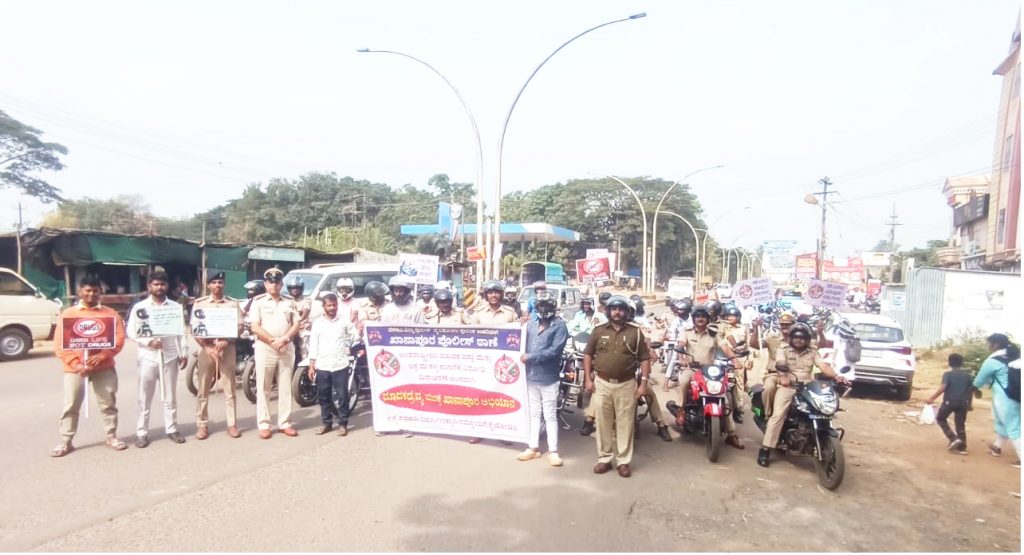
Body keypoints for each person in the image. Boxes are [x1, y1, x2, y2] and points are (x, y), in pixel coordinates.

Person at [51, 277, 128, 457]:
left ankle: (111, 436)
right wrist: (76, 364)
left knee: (108, 403)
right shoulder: (69, 314)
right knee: (71, 405)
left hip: (104, 367)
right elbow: (59, 345)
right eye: (87, 290)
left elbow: (119, 339)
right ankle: (66, 441)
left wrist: (103, 355)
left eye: (95, 291)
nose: (91, 294)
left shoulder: (110, 314)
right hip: (75, 369)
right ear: (79, 292)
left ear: (100, 292)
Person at [757, 322, 849, 467]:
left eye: (803, 338)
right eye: (796, 337)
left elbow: (822, 365)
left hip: (808, 386)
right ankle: (766, 448)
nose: (799, 340)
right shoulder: (784, 349)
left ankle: (818, 436)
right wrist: (783, 376)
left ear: (807, 339)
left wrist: (836, 376)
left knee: (822, 410)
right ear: (791, 338)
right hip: (789, 385)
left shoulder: (812, 351)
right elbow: (780, 363)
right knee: (778, 414)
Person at [583, 295, 650, 478]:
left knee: (625, 423)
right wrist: (588, 379)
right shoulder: (598, 331)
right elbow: (588, 355)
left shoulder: (635, 333)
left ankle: (623, 462)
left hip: (627, 384)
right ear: (608, 311)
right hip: (602, 383)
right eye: (614, 309)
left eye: (621, 309)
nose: (617, 312)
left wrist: (643, 383)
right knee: (603, 423)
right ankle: (604, 459)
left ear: (626, 312)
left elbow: (645, 358)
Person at [126, 271, 188, 448]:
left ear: (167, 286)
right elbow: (131, 331)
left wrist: (183, 352)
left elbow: (181, 331)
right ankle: (142, 432)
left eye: (162, 284)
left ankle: (171, 428)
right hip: (148, 357)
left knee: (170, 397)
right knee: (144, 397)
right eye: (156, 284)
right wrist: (149, 341)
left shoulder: (174, 307)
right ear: (149, 286)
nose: (159, 288)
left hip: (169, 357)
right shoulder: (140, 308)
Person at [672, 305, 744, 450]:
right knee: (683, 381)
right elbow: (680, 345)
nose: (700, 319)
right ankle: (680, 410)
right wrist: (681, 358)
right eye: (697, 316)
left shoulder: (713, 333)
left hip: (710, 370)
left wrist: (734, 359)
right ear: (693, 319)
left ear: (708, 319)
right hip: (692, 368)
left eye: (703, 317)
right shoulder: (686, 332)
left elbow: (725, 347)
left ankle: (731, 434)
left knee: (724, 396)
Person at [517, 290, 569, 466]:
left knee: (550, 415)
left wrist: (530, 357)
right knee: (534, 413)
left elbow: (554, 351)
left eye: (547, 306)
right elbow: (518, 340)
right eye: (541, 305)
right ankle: (533, 448)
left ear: (553, 307)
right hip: (531, 376)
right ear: (536, 307)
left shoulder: (560, 326)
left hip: (548, 377)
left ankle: (553, 451)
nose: (543, 309)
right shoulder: (530, 324)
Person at [249, 268, 301, 439]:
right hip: (266, 347)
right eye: (271, 281)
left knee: (285, 386)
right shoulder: (258, 302)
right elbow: (255, 326)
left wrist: (285, 339)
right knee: (264, 386)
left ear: (281, 284)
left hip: (285, 347)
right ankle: (264, 423)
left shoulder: (289, 301)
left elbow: (296, 324)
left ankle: (284, 422)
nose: (274, 285)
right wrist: (273, 341)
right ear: (265, 284)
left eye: (277, 282)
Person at [192, 272, 243, 440]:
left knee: (229, 388)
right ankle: (202, 425)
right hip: (207, 350)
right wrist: (207, 347)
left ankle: (231, 424)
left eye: (220, 282)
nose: (217, 285)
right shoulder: (200, 304)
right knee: (203, 389)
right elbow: (195, 329)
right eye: (214, 282)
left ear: (224, 285)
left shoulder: (232, 304)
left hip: (226, 350)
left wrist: (227, 340)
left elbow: (240, 327)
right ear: (208, 286)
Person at [308, 293, 358, 437]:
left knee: (342, 396)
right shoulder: (318, 323)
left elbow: (354, 335)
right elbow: (313, 345)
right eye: (329, 305)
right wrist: (312, 365)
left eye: (334, 305)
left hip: (340, 364)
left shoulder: (344, 321)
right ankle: (327, 423)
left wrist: (358, 331)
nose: (332, 308)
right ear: (323, 307)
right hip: (323, 365)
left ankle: (343, 424)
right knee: (323, 396)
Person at [973, 333, 1021, 464]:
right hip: (1016, 395)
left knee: (1013, 426)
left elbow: (979, 380)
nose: (987, 346)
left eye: (989, 343)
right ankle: (997, 446)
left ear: (996, 345)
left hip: (1005, 397)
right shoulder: (1014, 357)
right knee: (1002, 421)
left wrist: (974, 388)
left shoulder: (992, 361)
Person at [925, 353, 973, 454]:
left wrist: (932, 398)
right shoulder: (968, 376)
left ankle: (953, 438)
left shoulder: (948, 374)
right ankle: (962, 447)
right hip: (963, 402)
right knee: (960, 424)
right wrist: (969, 404)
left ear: (949, 363)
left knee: (940, 418)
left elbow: (943, 387)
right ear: (962, 363)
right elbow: (970, 391)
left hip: (949, 401)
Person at [717, 304, 752, 423]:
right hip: (722, 358)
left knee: (738, 384)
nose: (730, 318)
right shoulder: (722, 327)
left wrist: (749, 359)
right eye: (728, 316)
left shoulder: (744, 328)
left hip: (739, 358)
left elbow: (749, 344)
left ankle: (738, 410)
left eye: (733, 316)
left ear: (738, 317)